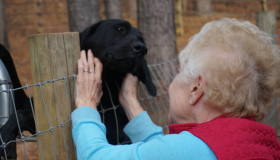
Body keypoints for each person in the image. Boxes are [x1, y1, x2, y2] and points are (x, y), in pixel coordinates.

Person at [72, 18, 280, 160]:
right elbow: (165, 151)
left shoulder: (192, 149)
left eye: (179, 73)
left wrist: (86, 104)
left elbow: (95, 157)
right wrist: (129, 100)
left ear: (196, 88)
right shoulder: (260, 143)